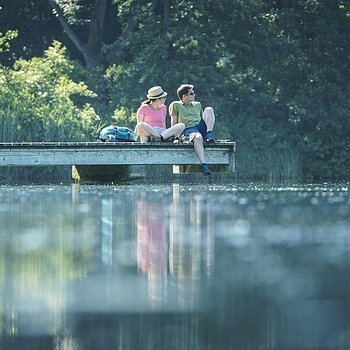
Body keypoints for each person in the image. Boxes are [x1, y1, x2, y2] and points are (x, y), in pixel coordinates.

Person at [169, 84, 215, 176]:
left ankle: (209, 134)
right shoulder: (175, 105)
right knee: (198, 137)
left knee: (209, 109)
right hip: (187, 130)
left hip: (200, 126)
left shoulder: (197, 104)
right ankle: (204, 165)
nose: (194, 95)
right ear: (184, 96)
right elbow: (174, 123)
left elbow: (204, 118)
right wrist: (176, 137)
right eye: (192, 93)